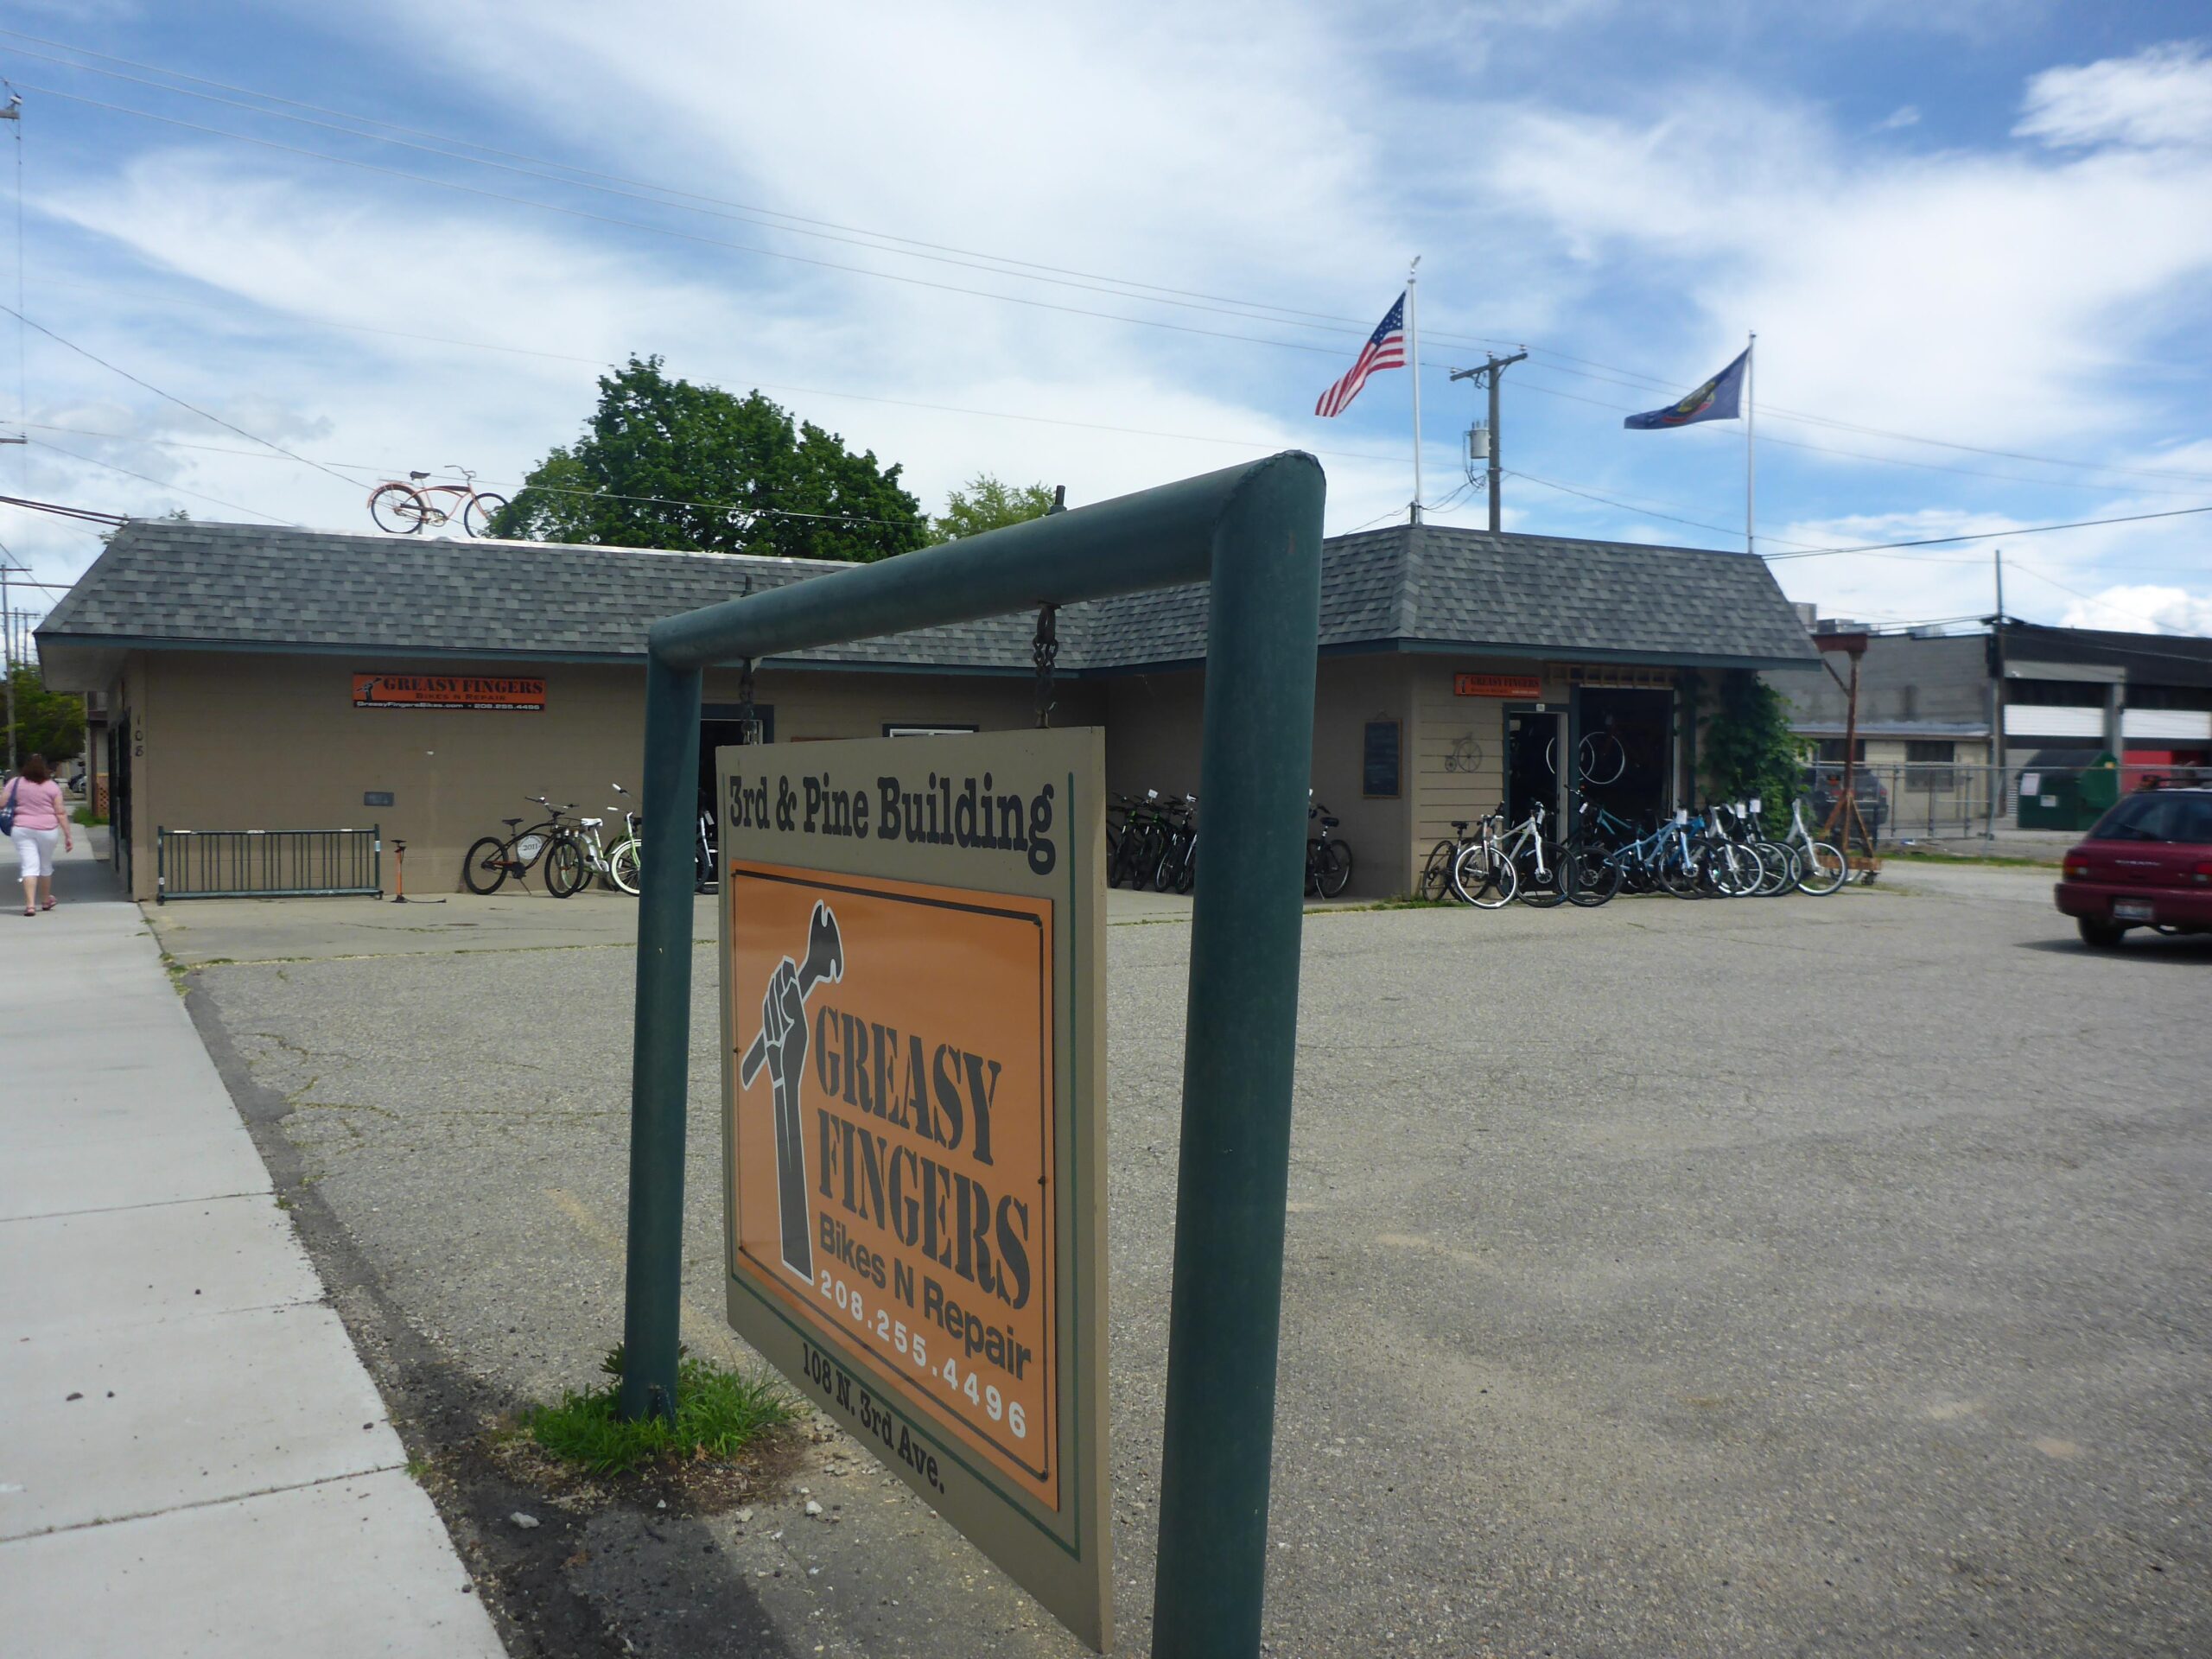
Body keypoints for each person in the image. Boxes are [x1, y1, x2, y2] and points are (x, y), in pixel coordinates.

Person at [7, 753, 73, 916]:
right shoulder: (52, 786)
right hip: (47, 830)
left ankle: (30, 906)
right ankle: (45, 900)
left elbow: (2, 803)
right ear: (45, 768)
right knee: (45, 865)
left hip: (22, 829)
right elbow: (61, 812)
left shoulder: (15, 783)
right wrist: (67, 835)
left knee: (29, 866)